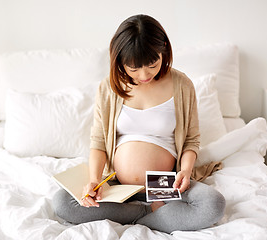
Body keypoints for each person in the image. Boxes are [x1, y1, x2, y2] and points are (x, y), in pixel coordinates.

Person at [53, 14, 225, 234]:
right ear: (119, 60)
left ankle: (145, 215)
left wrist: (185, 170)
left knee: (213, 204)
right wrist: (94, 181)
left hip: (164, 184)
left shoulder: (182, 85)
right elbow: (98, 141)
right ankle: (143, 214)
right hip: (119, 187)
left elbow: (191, 139)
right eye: (133, 69)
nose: (144, 75)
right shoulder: (109, 88)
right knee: (63, 202)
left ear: (163, 48)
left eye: (152, 65)